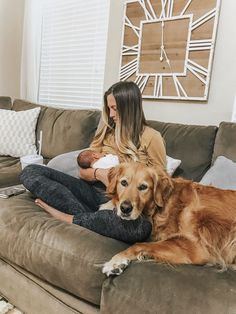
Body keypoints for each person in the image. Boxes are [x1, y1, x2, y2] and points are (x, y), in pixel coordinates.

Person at [20, 81, 166, 244]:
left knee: (141, 229)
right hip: (92, 192)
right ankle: (91, 220)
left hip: (122, 203)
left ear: (130, 108)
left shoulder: (152, 137)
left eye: (115, 109)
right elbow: (83, 172)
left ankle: (73, 218)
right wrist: (100, 174)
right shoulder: (108, 132)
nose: (111, 115)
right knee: (31, 171)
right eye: (109, 108)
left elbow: (161, 182)